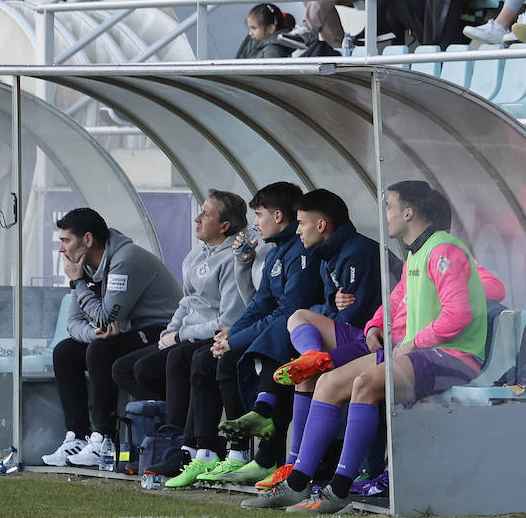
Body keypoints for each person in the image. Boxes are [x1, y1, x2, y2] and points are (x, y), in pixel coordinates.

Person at [247, 180, 498, 514]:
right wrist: (376, 324)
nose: (386, 216)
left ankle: (338, 490)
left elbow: (459, 315)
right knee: (328, 381)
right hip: (418, 353)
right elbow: (395, 301)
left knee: (362, 384)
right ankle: (296, 484)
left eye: (390, 208)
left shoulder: (444, 250)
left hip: (453, 358)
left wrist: (413, 343)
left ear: (409, 212)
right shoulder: (417, 253)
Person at [248, 188, 384, 496]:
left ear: (321, 225)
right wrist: (334, 307)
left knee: (319, 371)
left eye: (301, 223)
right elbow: (334, 309)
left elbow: (356, 315)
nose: (297, 231)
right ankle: (296, 467)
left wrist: (336, 312)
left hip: (376, 344)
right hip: (357, 336)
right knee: (298, 320)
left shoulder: (357, 252)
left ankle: (310, 470)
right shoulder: (326, 256)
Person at [111, 190, 253, 479]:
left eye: (206, 214)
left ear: (225, 226)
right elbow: (186, 302)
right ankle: (178, 421)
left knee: (178, 359)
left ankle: (179, 443)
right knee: (125, 368)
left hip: (209, 336)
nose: (197, 219)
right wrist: (170, 331)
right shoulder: (194, 256)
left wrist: (179, 337)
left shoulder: (232, 259)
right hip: (184, 333)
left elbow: (225, 319)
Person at [41, 207, 183, 468]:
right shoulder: (84, 267)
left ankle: (104, 438)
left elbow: (105, 316)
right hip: (129, 332)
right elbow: (74, 323)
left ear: (87, 239)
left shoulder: (124, 260)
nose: (61, 249)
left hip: (162, 330)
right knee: (66, 352)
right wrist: (93, 333)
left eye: (65, 241)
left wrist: (78, 284)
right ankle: (77, 437)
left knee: (100, 351)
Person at [209, 182, 322, 487]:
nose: (255, 222)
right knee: (227, 360)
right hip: (281, 336)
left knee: (271, 361)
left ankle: (264, 456)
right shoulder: (276, 254)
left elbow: (288, 311)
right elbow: (260, 305)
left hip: (308, 339)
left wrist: (236, 339)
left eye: (258, 215)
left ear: (278, 215)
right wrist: (231, 337)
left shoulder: (300, 252)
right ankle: (243, 452)